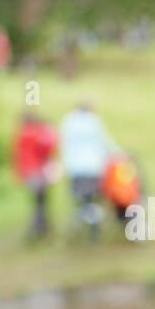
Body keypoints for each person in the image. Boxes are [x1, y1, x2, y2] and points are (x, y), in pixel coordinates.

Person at [59, 101, 113, 241]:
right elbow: (104, 142)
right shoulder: (94, 122)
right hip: (93, 167)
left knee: (82, 200)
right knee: (93, 199)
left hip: (75, 168)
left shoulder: (68, 121)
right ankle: (93, 230)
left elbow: (63, 143)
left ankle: (83, 226)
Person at [13, 113, 57, 239]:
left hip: (28, 171)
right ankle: (40, 226)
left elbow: (17, 156)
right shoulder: (37, 134)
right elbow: (47, 150)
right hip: (38, 171)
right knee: (41, 200)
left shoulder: (21, 135)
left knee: (37, 200)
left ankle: (40, 226)